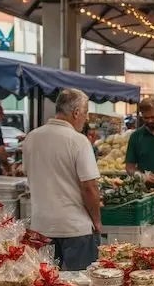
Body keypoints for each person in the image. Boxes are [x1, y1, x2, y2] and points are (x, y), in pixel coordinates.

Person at [22, 89, 102, 270]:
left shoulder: (32, 138)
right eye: (86, 112)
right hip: (75, 229)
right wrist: (97, 221)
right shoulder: (79, 141)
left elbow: (27, 173)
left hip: (41, 227)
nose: (86, 118)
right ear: (76, 113)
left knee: (46, 283)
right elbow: (89, 187)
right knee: (81, 282)